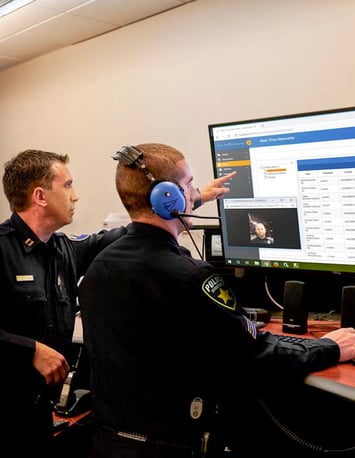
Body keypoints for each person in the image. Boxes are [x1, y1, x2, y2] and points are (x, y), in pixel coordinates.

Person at [79, 142, 355, 458]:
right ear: (168, 198)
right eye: (189, 185)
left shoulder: (99, 266)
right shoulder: (189, 276)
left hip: (108, 444)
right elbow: (254, 352)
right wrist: (331, 346)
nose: (195, 192)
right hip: (172, 447)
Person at [0, 148, 234, 458]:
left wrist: (187, 200)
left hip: (38, 406)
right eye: (68, 185)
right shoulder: (2, 250)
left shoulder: (61, 249)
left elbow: (130, 232)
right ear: (41, 196)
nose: (76, 196)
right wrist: (29, 350)